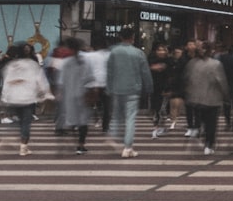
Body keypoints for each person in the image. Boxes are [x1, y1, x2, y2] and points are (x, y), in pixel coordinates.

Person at [106, 27, 153, 158]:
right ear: (132, 37)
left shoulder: (113, 51)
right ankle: (128, 147)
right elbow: (145, 72)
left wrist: (108, 88)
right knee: (130, 118)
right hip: (133, 89)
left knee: (116, 116)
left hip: (116, 88)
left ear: (120, 37)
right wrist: (149, 87)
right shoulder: (138, 53)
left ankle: (112, 135)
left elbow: (109, 72)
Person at [0, 42, 52, 156]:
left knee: (16, 120)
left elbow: (6, 82)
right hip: (27, 98)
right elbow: (41, 80)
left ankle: (8, 136)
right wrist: (47, 94)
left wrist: (4, 97)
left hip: (13, 98)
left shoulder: (11, 65)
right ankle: (23, 147)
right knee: (25, 123)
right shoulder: (32, 65)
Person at [183, 40, 229, 155]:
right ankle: (209, 144)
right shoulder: (216, 64)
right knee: (211, 122)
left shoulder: (192, 63)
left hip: (196, 98)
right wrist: (226, 96)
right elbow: (221, 82)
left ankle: (204, 136)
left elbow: (187, 79)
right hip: (212, 99)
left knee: (202, 119)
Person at [54, 36, 97, 155]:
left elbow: (61, 81)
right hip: (81, 94)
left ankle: (79, 143)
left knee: (76, 120)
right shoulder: (83, 61)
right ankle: (80, 144)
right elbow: (91, 78)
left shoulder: (66, 62)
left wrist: (60, 93)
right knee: (82, 121)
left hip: (73, 96)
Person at [148, 43, 172, 138]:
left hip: (165, 88)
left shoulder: (169, 61)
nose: (161, 52)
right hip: (154, 88)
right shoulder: (151, 60)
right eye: (159, 50)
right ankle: (156, 128)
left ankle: (160, 127)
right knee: (156, 109)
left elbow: (171, 75)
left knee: (163, 109)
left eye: (163, 50)